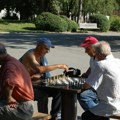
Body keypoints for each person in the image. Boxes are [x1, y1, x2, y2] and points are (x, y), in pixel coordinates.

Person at [19, 37, 68, 120]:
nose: (47, 51)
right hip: (23, 87)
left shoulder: (42, 56)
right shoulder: (30, 54)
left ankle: (54, 116)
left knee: (59, 90)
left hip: (35, 84)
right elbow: (39, 69)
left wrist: (58, 79)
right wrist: (59, 66)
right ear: (38, 46)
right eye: (46, 49)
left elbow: (46, 75)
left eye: (48, 49)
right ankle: (43, 116)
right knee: (43, 94)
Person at [81, 41, 120, 120]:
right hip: (118, 101)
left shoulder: (101, 64)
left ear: (99, 54)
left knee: (86, 116)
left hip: (110, 104)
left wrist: (81, 87)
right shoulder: (118, 61)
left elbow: (88, 85)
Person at [0, 43, 34, 120]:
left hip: (22, 108)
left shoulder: (10, 66)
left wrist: (9, 98)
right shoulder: (9, 62)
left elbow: (9, 82)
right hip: (22, 104)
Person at [77, 36, 99, 111]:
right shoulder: (93, 56)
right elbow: (91, 67)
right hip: (96, 85)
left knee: (84, 95)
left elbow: (96, 78)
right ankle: (93, 114)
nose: (85, 51)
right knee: (79, 93)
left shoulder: (101, 58)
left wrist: (83, 87)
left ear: (94, 48)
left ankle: (99, 116)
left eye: (87, 49)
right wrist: (86, 74)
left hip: (103, 88)